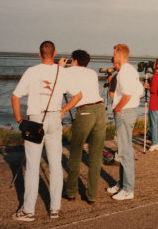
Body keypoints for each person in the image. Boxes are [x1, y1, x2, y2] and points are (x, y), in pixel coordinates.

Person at [11, 41, 82, 221]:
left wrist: (20, 119)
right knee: (55, 164)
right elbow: (78, 95)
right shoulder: (61, 71)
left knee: (33, 167)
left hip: (35, 119)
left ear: (39, 54)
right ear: (55, 53)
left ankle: (28, 211)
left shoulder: (32, 71)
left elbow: (15, 96)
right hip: (54, 119)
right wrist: (64, 110)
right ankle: (54, 209)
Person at [62, 50, 107, 204]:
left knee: (75, 154)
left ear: (74, 60)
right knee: (95, 156)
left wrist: (60, 67)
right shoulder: (92, 73)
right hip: (100, 110)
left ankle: (71, 192)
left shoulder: (66, 72)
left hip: (85, 111)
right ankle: (91, 195)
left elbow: (66, 90)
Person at [106, 44, 143, 201]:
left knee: (125, 152)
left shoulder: (124, 73)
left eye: (114, 54)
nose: (113, 56)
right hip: (129, 112)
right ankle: (122, 183)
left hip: (124, 113)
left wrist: (118, 108)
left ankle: (128, 189)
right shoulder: (131, 71)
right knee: (123, 149)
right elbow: (140, 92)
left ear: (120, 55)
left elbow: (127, 94)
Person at [144, 59, 158, 151]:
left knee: (153, 124)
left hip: (155, 104)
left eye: (153, 64)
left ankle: (154, 143)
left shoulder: (155, 77)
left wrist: (147, 86)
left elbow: (153, 90)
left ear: (156, 66)